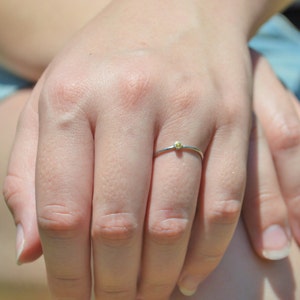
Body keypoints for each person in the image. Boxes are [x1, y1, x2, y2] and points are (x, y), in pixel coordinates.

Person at [1, 0, 300, 299]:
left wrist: (205, 23)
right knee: (209, 250)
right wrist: (172, 46)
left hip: (246, 30)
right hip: (35, 63)